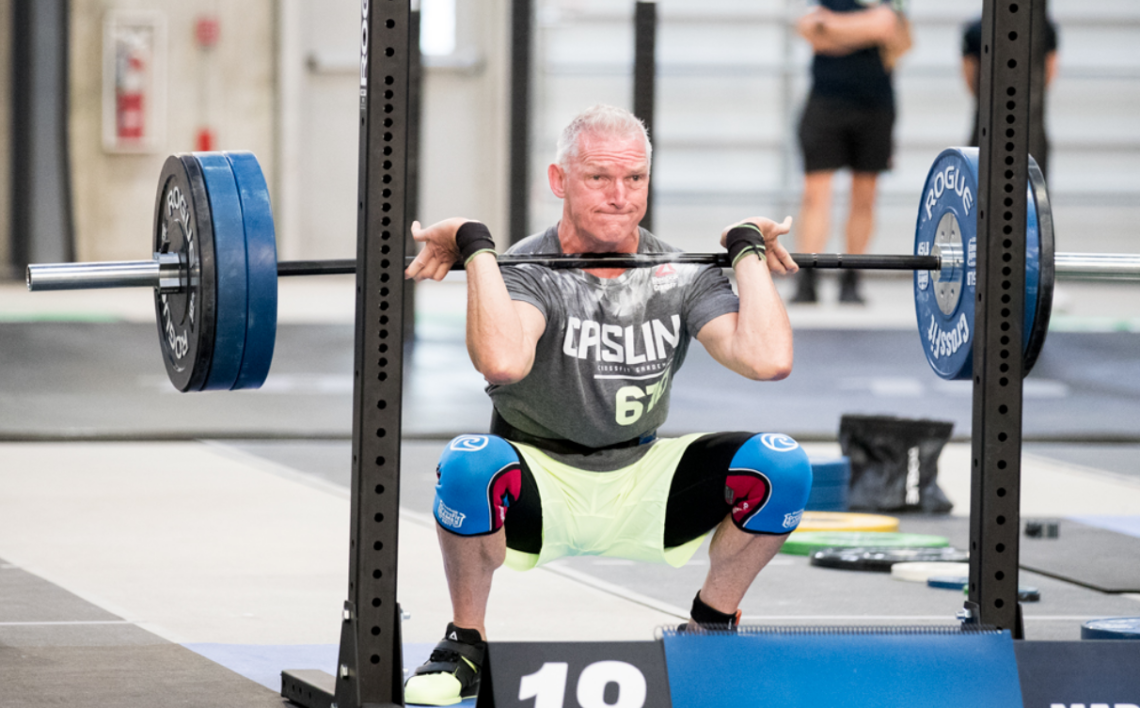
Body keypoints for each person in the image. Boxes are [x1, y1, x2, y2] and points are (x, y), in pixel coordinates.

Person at [401, 104, 813, 706]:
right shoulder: (529, 268)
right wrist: (477, 244)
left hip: (643, 481)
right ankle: (466, 642)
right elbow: (503, 362)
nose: (620, 196)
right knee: (468, 463)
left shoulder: (678, 273)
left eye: (635, 179)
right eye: (598, 177)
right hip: (538, 482)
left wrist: (745, 249)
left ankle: (710, 629)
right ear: (559, 180)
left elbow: (768, 359)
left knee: (782, 465)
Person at [791, 0, 911, 305]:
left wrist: (832, 25)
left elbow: (892, 33)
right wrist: (865, 30)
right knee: (815, 195)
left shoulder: (888, 3)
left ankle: (851, 277)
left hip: (875, 106)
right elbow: (809, 31)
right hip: (825, 102)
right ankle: (808, 275)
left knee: (865, 196)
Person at [961, 15, 1058, 177]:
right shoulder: (976, 30)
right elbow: (1048, 75)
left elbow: (971, 80)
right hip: (1004, 122)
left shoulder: (976, 28)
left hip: (1020, 123)